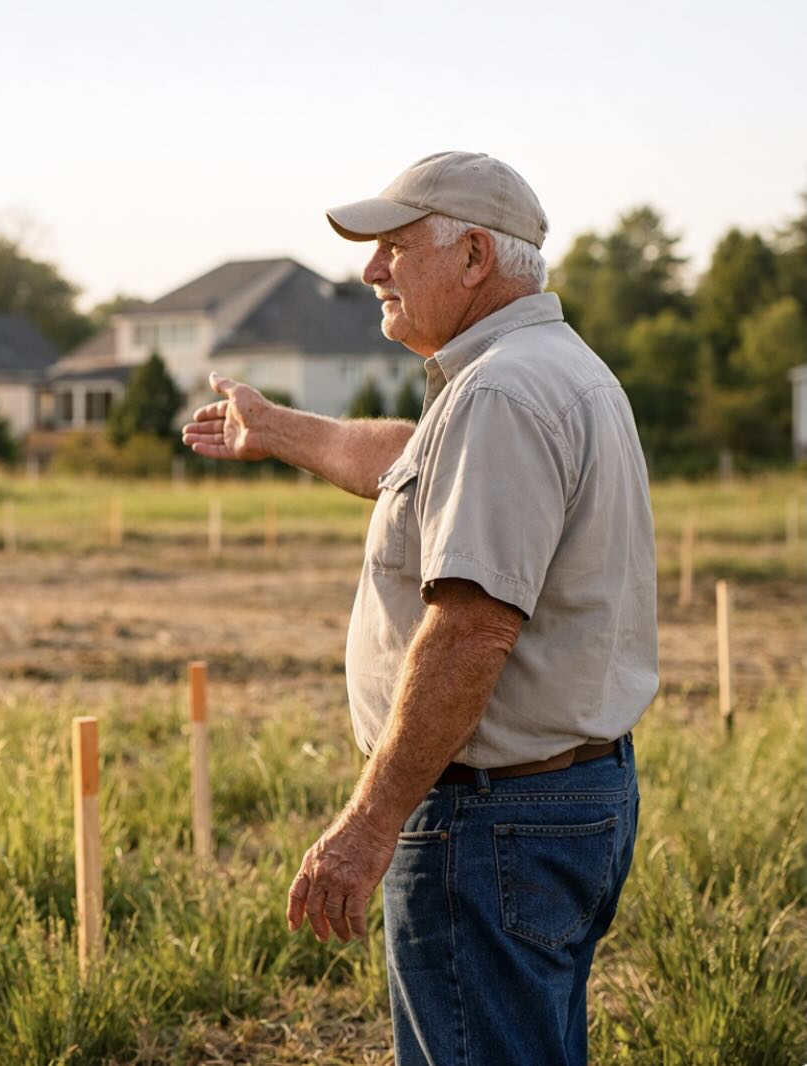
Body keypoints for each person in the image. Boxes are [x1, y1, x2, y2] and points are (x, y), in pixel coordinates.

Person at [182, 151, 656, 1066]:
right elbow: (407, 464)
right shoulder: (541, 371)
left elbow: (472, 628)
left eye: (394, 248)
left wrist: (367, 826)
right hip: (558, 801)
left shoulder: (499, 394)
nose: (369, 273)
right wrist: (275, 428)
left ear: (474, 256)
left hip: (487, 820)